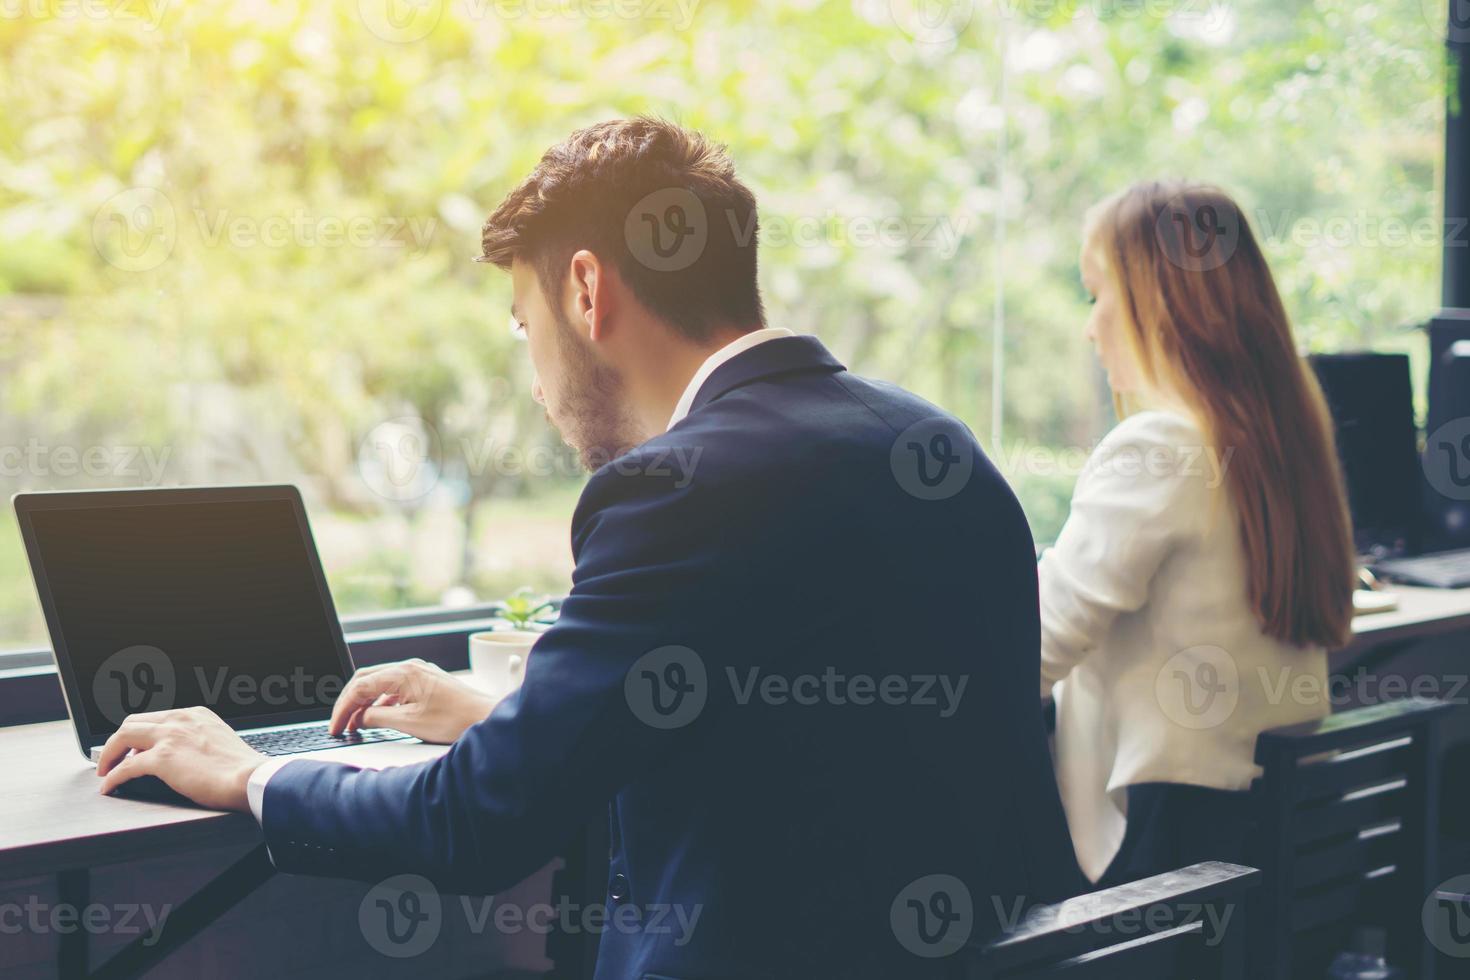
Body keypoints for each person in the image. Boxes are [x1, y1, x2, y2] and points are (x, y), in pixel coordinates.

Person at [96, 118, 1080, 977]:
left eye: (524, 328)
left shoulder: (676, 491)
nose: (533, 380)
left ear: (584, 290)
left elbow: (472, 824)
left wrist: (245, 772)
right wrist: (513, 716)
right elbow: (814, 727)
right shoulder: (937, 446)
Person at [1039, 180, 1357, 887]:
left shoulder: (1159, 447)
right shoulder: (1284, 441)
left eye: (1099, 293)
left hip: (1176, 865)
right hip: (1293, 852)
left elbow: (1029, 649)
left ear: (1159, 303)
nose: (1091, 326)